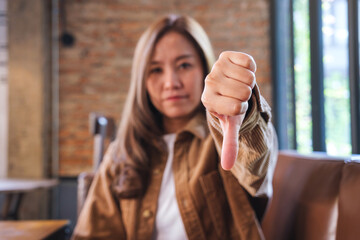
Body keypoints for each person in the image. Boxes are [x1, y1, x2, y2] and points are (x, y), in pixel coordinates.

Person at [72, 14, 278, 240]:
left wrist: (243, 113)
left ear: (204, 70)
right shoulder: (121, 154)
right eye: (156, 70)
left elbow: (254, 166)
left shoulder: (220, 138)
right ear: (143, 80)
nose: (171, 82)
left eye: (184, 65)